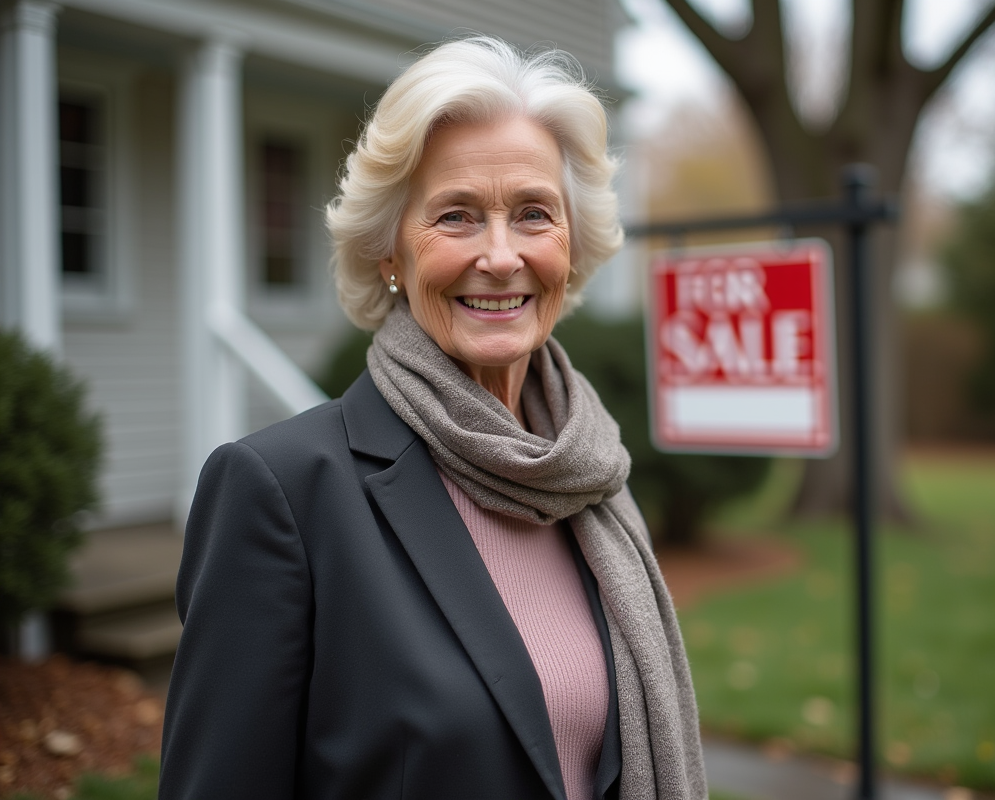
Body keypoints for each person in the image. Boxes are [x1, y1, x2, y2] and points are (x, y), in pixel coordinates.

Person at [158, 37, 706, 800]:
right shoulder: (281, 492)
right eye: (456, 216)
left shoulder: (589, 476)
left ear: (570, 244)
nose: (502, 255)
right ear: (390, 251)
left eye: (533, 214)